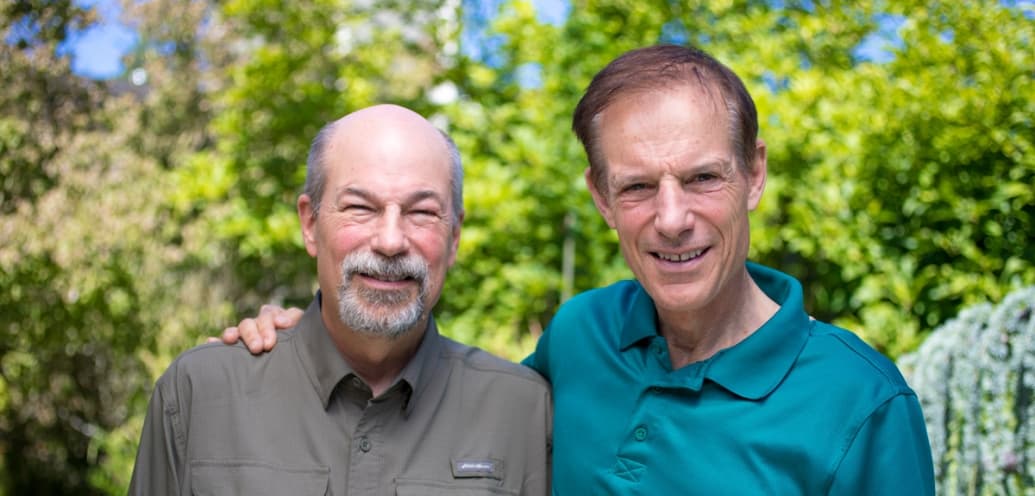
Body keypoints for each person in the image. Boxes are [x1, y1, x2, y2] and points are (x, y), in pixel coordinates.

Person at [225, 45, 935, 494]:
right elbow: (448, 414)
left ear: (753, 176)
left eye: (701, 179)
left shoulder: (861, 405)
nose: (671, 217)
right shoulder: (581, 335)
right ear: (600, 197)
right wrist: (314, 341)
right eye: (635, 188)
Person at [130, 104, 552, 495]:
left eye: (421, 212)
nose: (390, 241)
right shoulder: (200, 395)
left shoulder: (524, 413)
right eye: (359, 207)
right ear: (310, 224)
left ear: (454, 237)